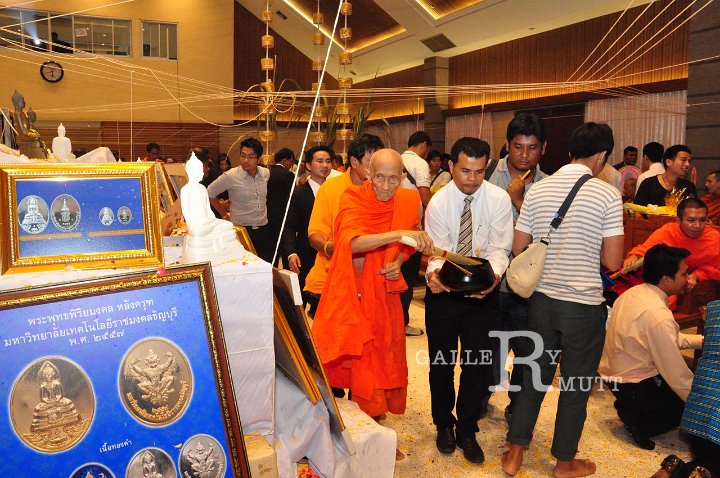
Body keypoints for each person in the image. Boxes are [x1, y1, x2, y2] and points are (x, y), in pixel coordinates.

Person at [502, 122, 624, 478]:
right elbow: (613, 261)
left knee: (533, 377)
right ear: (602, 155)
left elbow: (518, 247)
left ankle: (514, 454)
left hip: (541, 302)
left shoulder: (538, 190)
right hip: (583, 307)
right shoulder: (607, 195)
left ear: (570, 151)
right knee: (575, 385)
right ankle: (564, 462)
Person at [311, 148, 434, 423]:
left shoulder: (408, 199)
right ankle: (346, 422)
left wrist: (398, 261)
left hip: (384, 290)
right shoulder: (353, 197)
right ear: (368, 173)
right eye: (380, 177)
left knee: (380, 356)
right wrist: (398, 234)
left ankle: (372, 421)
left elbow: (409, 245)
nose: (386, 186)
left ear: (403, 177)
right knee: (353, 356)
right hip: (352, 290)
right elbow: (352, 244)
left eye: (393, 178)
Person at [424, 137, 513, 464]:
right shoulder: (438, 202)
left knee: (477, 364)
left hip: (482, 292)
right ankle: (443, 423)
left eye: (478, 171)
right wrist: (434, 275)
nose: (472, 179)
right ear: (451, 166)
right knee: (441, 363)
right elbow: (437, 250)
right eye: (465, 171)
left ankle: (466, 427)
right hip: (445, 293)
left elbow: (500, 249)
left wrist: (494, 280)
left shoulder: (498, 199)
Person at [599, 244, 701, 450]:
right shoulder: (656, 314)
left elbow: (667, 339)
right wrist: (703, 405)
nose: (687, 278)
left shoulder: (633, 293)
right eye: (684, 273)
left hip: (613, 377)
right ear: (666, 280)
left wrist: (703, 341)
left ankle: (631, 406)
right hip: (633, 384)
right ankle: (640, 422)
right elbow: (676, 374)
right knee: (687, 403)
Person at [487, 112, 547, 423]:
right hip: (492, 280)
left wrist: (518, 200)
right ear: (508, 145)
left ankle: (517, 409)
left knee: (526, 350)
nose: (524, 155)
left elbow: (549, 237)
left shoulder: (550, 186)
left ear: (543, 149)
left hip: (530, 286)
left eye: (532, 148)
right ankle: (479, 397)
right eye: (518, 147)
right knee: (487, 348)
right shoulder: (486, 175)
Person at [304, 134, 385, 316]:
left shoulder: (382, 190)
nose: (377, 169)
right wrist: (333, 248)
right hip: (332, 277)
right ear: (354, 162)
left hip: (372, 280)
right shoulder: (331, 188)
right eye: (372, 162)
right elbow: (314, 235)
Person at [618, 197, 720, 298]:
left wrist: (696, 275)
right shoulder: (668, 232)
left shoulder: (713, 238)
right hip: (667, 283)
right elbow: (647, 250)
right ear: (678, 220)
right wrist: (634, 256)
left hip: (694, 289)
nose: (697, 225)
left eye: (702, 220)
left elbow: (714, 269)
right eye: (691, 220)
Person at [207, 137, 274, 262]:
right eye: (243, 155)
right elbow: (210, 193)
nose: (245, 160)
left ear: (259, 159)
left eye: (251, 157)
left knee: (264, 265)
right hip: (242, 231)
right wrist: (224, 214)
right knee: (244, 266)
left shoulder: (265, 173)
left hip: (264, 229)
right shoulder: (231, 175)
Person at [281, 145, 334, 296]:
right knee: (303, 296)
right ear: (309, 166)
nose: (325, 165)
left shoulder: (336, 191)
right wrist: (291, 253)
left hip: (331, 255)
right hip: (306, 254)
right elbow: (288, 226)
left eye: (328, 161)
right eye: (320, 161)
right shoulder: (298, 193)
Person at [400, 130, 433, 336]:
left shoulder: (395, 158)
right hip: (412, 230)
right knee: (407, 278)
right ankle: (402, 323)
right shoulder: (420, 164)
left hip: (392, 227)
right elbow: (425, 198)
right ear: (424, 146)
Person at [267, 148, 296, 266]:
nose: (291, 165)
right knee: (286, 251)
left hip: (269, 218)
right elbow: (293, 198)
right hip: (284, 219)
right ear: (284, 160)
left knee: (272, 252)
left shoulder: (268, 173)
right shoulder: (288, 175)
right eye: (291, 161)